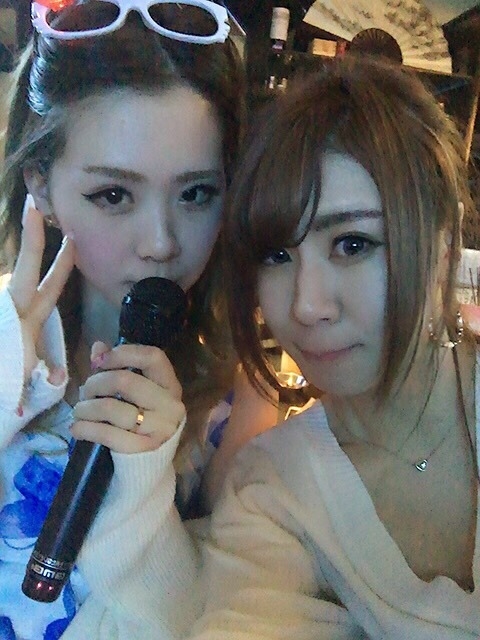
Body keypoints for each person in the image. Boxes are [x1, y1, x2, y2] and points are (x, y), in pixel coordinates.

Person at [0, 1, 277, 638]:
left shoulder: (240, 404)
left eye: (196, 193)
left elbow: (215, 623)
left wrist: (146, 487)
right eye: (114, 194)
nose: (161, 242)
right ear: (41, 186)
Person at [186, 55, 480, 638]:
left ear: (444, 242)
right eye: (277, 255)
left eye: (352, 244)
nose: (305, 306)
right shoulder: (272, 489)